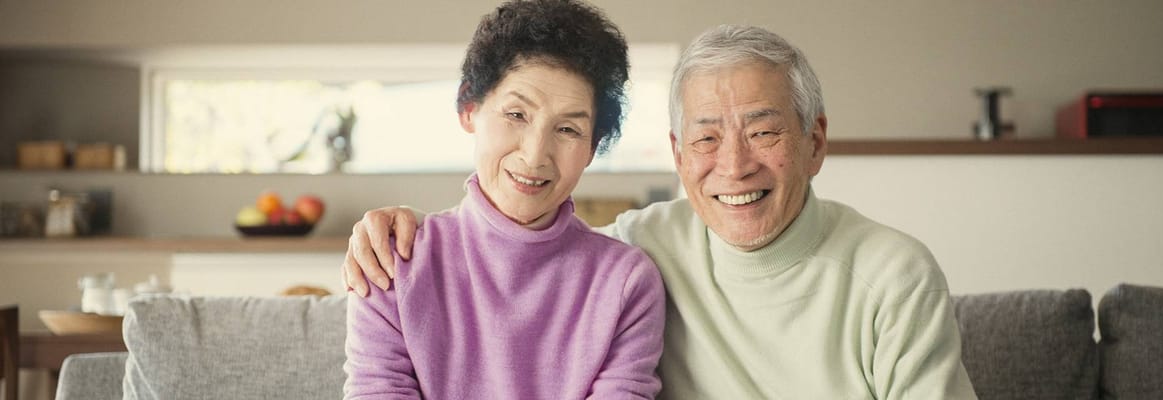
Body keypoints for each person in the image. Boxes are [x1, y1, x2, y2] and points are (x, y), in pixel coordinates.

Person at [344, 25, 978, 399]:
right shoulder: (643, 248)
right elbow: (525, 243)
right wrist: (401, 228)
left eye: (764, 132)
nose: (733, 166)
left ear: (814, 142)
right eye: (706, 138)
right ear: (678, 155)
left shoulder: (894, 277)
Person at [341, 1, 665, 399]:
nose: (535, 155)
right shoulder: (391, 261)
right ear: (469, 108)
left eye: (567, 129)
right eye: (516, 114)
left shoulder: (626, 282)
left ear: (593, 148)